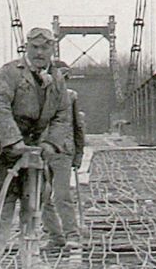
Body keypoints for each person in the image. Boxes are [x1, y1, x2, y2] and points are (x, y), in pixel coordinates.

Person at [0, 27, 71, 268]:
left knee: (33, 207)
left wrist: (50, 143)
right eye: (35, 47)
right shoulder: (10, 73)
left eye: (45, 48)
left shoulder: (56, 79)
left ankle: (31, 261)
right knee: (3, 206)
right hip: (7, 151)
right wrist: (14, 142)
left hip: (37, 150)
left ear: (52, 50)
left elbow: (63, 114)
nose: (39, 52)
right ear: (27, 47)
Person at [41, 86, 85, 249]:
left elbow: (78, 126)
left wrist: (79, 153)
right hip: (41, 152)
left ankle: (72, 235)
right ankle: (55, 236)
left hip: (62, 151)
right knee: (41, 196)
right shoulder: (34, 96)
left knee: (61, 195)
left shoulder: (69, 97)